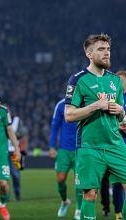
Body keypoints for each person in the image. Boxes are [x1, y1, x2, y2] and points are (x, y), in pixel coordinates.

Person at [64, 33, 126, 220]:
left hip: (116, 144)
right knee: (90, 194)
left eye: (108, 49)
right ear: (89, 54)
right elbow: (69, 115)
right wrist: (95, 106)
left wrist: (121, 113)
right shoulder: (78, 80)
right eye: (101, 49)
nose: (107, 53)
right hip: (90, 147)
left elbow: (122, 115)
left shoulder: (115, 81)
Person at [49, 98, 82, 219]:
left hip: (81, 148)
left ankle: (79, 209)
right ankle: (64, 201)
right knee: (60, 179)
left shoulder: (84, 102)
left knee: (79, 180)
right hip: (64, 149)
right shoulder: (61, 105)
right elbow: (54, 127)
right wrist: (52, 146)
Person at [8, 115, 28, 202]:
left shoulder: (17, 120)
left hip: (14, 153)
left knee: (15, 174)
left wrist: (22, 151)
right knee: (4, 175)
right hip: (3, 152)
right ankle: (5, 197)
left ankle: (17, 194)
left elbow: (24, 133)